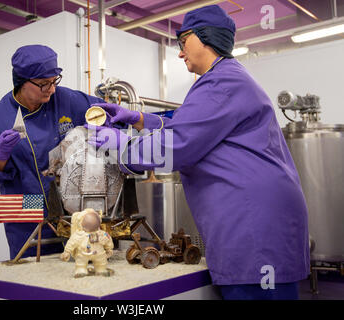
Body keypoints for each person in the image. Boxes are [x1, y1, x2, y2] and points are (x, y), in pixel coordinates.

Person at [88, 5, 310, 300]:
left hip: (251, 224)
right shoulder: (226, 79)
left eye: (183, 42)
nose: (180, 52)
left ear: (206, 37)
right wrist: (138, 119)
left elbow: (177, 146)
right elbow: (191, 124)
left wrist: (121, 146)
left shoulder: (221, 83)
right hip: (257, 218)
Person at [0, 45, 104, 260]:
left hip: (70, 209)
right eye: (43, 84)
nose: (51, 89)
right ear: (21, 82)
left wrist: (106, 128)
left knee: (77, 272)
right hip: (26, 208)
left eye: (55, 80)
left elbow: (104, 112)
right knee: (31, 274)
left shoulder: (66, 99)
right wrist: (1, 155)